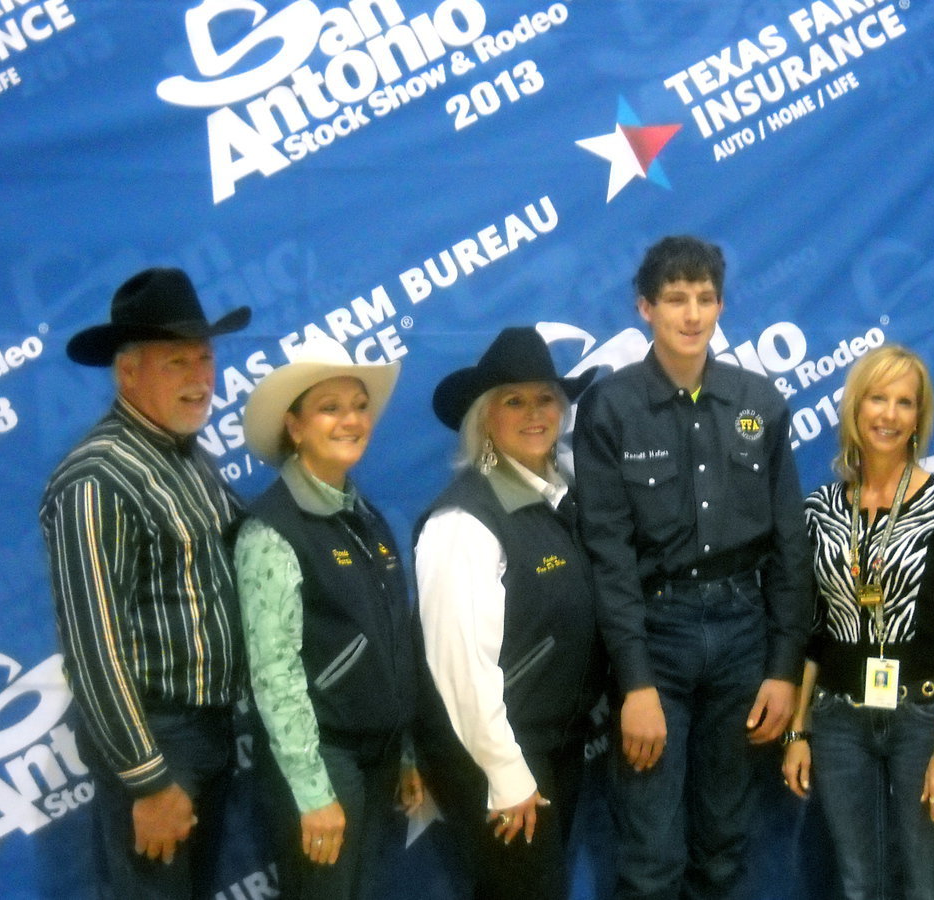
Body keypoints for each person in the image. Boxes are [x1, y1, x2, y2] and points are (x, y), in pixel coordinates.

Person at [572, 235, 813, 899]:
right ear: (644, 308)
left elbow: (790, 543)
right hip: (656, 636)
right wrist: (636, 680)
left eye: (705, 299)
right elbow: (608, 556)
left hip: (744, 635)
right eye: (676, 299)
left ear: (721, 306)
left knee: (724, 850)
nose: (692, 314)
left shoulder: (759, 403)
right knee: (651, 856)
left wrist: (783, 666)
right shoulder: (609, 408)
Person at [39, 267, 251, 897]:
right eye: (177, 362)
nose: (200, 379)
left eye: (205, 360)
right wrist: (149, 779)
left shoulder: (186, 457)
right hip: (158, 738)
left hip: (207, 729)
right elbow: (93, 651)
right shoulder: (96, 482)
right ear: (127, 373)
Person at [781, 345, 934, 899]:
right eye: (877, 398)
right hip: (839, 722)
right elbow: (812, 632)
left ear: (919, 417)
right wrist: (798, 731)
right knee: (858, 885)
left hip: (922, 718)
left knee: (927, 884)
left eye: (904, 403)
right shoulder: (820, 510)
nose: (889, 415)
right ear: (854, 407)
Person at [413, 326, 602, 900]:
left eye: (545, 397)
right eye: (513, 401)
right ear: (484, 419)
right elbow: (461, 670)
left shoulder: (559, 498)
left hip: (553, 746)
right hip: (499, 756)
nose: (535, 413)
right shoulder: (462, 522)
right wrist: (506, 774)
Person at [236, 334, 421, 898]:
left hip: (377, 755)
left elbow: (390, 639)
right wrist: (313, 791)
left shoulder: (363, 515)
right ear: (295, 426)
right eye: (330, 408)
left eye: (359, 406)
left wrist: (405, 750)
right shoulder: (271, 530)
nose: (351, 420)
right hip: (325, 759)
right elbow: (275, 674)